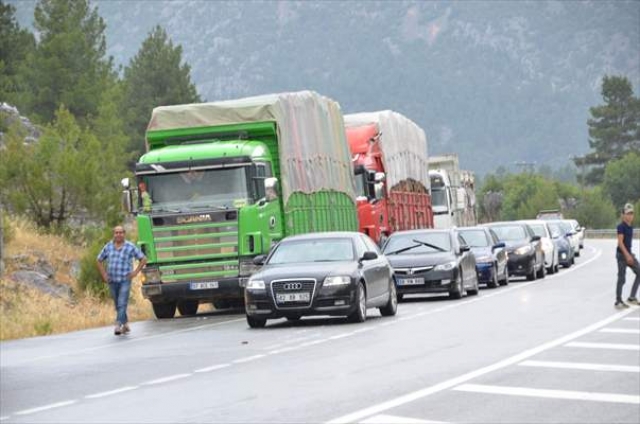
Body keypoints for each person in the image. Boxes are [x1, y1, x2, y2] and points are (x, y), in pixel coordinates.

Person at [96, 226, 147, 335]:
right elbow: (99, 260)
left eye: (121, 233)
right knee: (117, 304)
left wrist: (135, 272)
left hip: (125, 279)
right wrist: (104, 275)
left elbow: (143, 259)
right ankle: (126, 324)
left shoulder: (130, 247)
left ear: (124, 234)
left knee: (122, 303)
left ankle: (118, 324)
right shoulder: (108, 246)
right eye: (116, 233)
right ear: (113, 234)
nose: (118, 235)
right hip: (112, 280)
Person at [615, 203, 639, 309]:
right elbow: (620, 243)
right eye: (628, 213)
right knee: (622, 278)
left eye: (631, 214)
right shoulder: (621, 227)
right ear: (623, 215)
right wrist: (627, 256)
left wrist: (630, 255)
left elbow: (628, 243)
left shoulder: (630, 227)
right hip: (621, 255)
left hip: (628, 254)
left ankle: (632, 297)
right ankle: (618, 301)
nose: (630, 216)